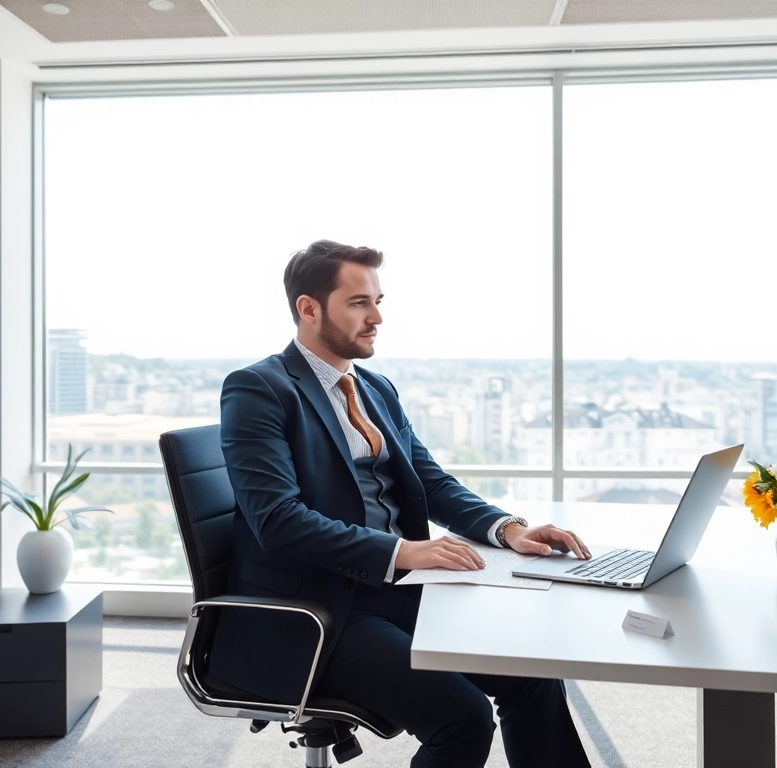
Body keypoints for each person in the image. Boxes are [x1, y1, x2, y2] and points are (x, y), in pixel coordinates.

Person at [209, 239, 594, 768]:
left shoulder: (374, 388)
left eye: (379, 301)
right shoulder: (260, 389)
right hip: (322, 609)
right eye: (360, 302)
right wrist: (406, 552)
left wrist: (506, 529)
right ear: (309, 308)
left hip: (397, 591)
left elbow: (429, 482)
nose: (377, 318)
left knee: (532, 673)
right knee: (462, 718)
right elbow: (278, 521)